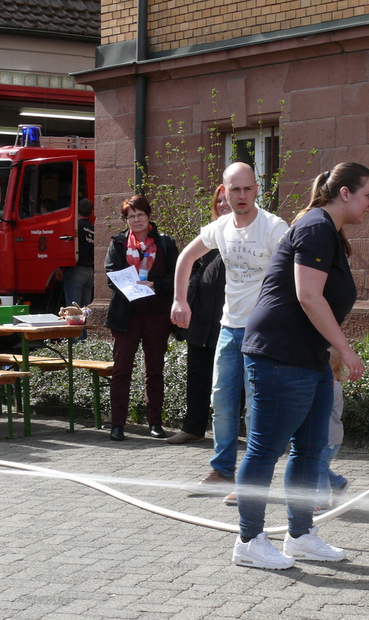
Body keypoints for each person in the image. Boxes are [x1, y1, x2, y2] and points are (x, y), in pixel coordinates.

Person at [231, 162, 369, 570]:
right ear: (344, 193)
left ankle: (300, 536)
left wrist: (329, 353)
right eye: (368, 195)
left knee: (311, 450)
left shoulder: (328, 232)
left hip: (309, 357)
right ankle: (249, 541)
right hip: (278, 354)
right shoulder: (315, 226)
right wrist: (345, 350)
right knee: (264, 450)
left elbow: (317, 302)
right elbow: (308, 296)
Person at [171, 163, 288, 498]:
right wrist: (180, 301)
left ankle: (252, 479)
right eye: (234, 189)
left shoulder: (273, 228)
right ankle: (223, 471)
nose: (241, 196)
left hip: (262, 332)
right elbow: (186, 257)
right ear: (223, 191)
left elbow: (296, 273)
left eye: (247, 189)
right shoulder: (220, 227)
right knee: (221, 402)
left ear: (256, 189)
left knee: (255, 406)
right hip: (229, 328)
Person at [104, 195, 178, 441]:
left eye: (140, 215)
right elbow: (110, 275)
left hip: (156, 315)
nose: (135, 220)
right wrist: (129, 285)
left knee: (154, 370)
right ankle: (117, 424)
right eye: (130, 216)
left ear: (149, 217)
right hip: (126, 316)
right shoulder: (118, 243)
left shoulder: (165, 243)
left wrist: (154, 284)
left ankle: (155, 422)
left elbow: (176, 277)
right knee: (121, 370)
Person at [168, 188, 230, 445]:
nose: (224, 203)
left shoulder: (248, 234)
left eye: (229, 198)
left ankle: (233, 434)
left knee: (230, 384)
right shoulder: (208, 234)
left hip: (230, 323)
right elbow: (189, 268)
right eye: (220, 200)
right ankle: (193, 428)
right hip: (200, 321)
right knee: (197, 378)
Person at [315, 347, 350, 509]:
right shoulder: (333, 385)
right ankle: (338, 483)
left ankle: (322, 501)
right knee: (319, 465)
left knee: (319, 468)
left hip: (327, 437)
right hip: (331, 436)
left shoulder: (330, 388)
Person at [63, 198, 95, 341]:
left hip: (76, 270)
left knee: (73, 311)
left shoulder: (75, 227)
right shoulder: (92, 228)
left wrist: (62, 268)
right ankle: (83, 341)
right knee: (84, 310)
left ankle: (75, 343)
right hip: (90, 272)